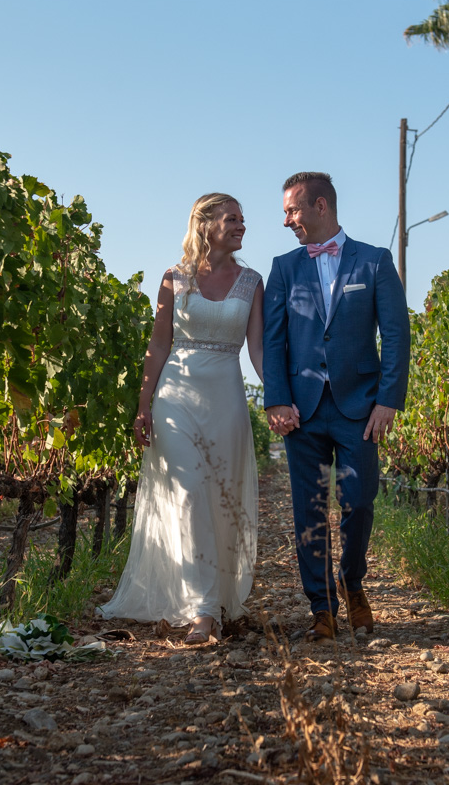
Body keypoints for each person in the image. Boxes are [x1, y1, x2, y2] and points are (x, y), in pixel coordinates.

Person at [98, 193, 265, 645]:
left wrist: (280, 397)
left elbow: (257, 349)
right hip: (176, 398)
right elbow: (158, 345)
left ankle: (213, 594)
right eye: (232, 218)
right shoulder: (174, 277)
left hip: (226, 397)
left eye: (242, 219)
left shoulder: (252, 281)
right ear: (205, 222)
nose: (241, 226)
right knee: (189, 495)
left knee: (217, 496)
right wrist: (144, 403)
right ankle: (204, 609)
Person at [263, 172, 411, 642]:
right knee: (308, 509)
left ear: (321, 206)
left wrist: (389, 399)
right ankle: (321, 608)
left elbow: (396, 334)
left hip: (359, 408)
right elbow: (273, 340)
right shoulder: (284, 268)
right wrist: (277, 399)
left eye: (293, 210)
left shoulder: (375, 261)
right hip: (301, 412)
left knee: (359, 502)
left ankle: (353, 582)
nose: (286, 220)